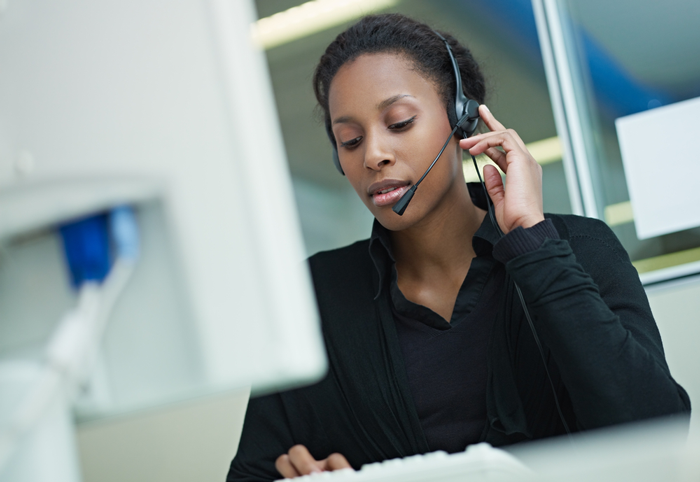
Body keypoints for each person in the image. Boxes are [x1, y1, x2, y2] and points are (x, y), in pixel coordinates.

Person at [227, 13, 690, 481]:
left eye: (400, 122)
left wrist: (533, 242)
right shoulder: (316, 295)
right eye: (349, 139)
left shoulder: (580, 247)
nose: (372, 155)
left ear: (461, 119)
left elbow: (657, 433)